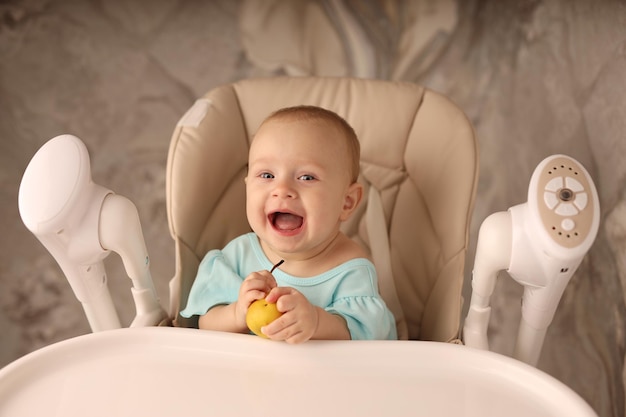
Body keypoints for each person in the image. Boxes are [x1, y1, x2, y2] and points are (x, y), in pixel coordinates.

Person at [180, 105, 397, 343]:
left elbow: (368, 335)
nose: (282, 189)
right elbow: (203, 323)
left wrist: (316, 321)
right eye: (267, 175)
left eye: (307, 177)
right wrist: (237, 313)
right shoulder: (237, 257)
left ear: (346, 202)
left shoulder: (351, 269)